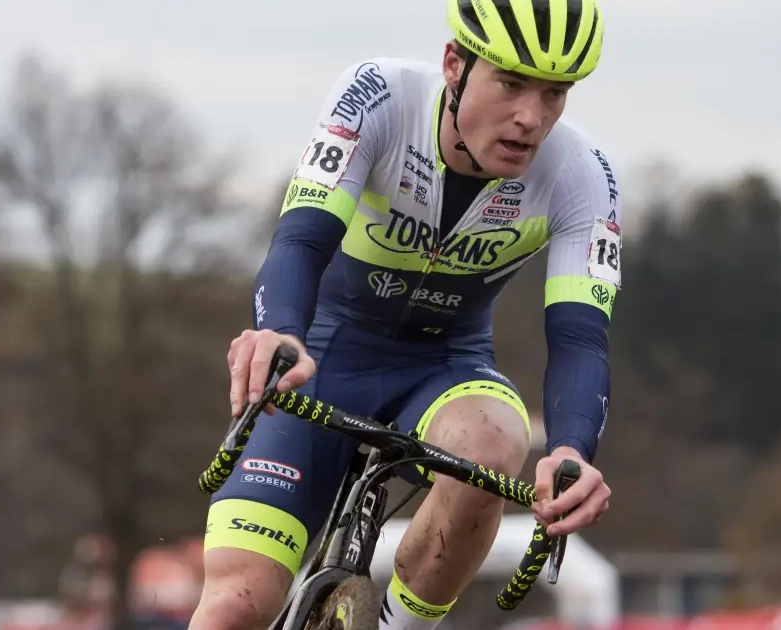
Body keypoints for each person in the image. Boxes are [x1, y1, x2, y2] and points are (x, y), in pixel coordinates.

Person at [191, 1, 619, 628]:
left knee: (494, 442)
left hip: (445, 369)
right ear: (454, 64)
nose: (531, 117)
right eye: (510, 83)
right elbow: (301, 240)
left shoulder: (583, 174)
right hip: (321, 356)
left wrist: (571, 450)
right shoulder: (380, 97)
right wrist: (279, 331)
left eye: (554, 93)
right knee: (237, 604)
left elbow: (581, 338)